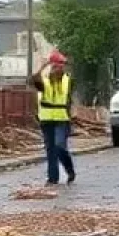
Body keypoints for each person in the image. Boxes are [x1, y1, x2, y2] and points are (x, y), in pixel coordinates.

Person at [31, 50, 76, 185]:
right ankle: (53, 178)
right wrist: (43, 66)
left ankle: (69, 169)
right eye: (56, 66)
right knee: (51, 149)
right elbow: (34, 79)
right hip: (46, 119)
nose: (59, 69)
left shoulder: (68, 80)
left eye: (61, 66)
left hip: (62, 119)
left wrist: (71, 114)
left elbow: (68, 99)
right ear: (51, 67)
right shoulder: (44, 82)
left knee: (59, 145)